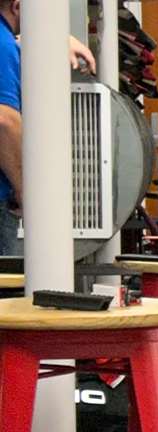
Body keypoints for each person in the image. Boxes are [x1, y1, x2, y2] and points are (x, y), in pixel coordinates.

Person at [0, 4, 97, 257]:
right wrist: (25, 189)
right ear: (18, 6)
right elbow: (5, 121)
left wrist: (54, 39)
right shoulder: (3, 44)